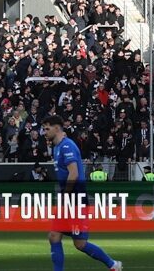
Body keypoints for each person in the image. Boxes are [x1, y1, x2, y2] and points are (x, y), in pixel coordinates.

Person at [43, 115, 122, 271]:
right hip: (69, 200)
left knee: (80, 244)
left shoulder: (67, 146)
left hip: (75, 200)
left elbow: (73, 174)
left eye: (47, 128)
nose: (44, 132)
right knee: (54, 236)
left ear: (57, 127)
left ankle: (113, 265)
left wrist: (65, 196)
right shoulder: (57, 147)